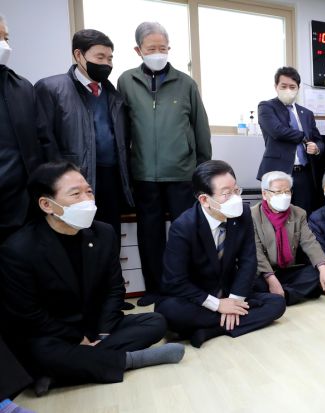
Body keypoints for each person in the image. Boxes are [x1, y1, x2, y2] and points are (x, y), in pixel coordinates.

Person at [0, 162, 184, 394]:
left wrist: (103, 333)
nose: (87, 200)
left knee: (155, 322)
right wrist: (77, 338)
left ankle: (64, 372)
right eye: (75, 194)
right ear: (47, 204)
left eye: (89, 191)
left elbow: (115, 288)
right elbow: (29, 315)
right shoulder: (19, 249)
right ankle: (131, 360)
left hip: (96, 326)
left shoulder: (103, 233)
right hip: (55, 334)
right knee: (37, 352)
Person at [118, 22, 212, 307]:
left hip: (182, 173)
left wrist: (203, 170)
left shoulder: (186, 83)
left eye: (163, 48)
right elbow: (122, 129)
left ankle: (188, 286)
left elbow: (200, 127)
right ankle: (155, 288)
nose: (158, 53)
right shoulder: (126, 81)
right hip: (144, 174)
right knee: (150, 234)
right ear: (138, 50)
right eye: (152, 48)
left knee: (186, 232)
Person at [155, 161, 286, 348]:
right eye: (226, 194)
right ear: (204, 200)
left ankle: (210, 330)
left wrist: (234, 301)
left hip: (228, 290)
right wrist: (217, 305)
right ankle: (224, 322)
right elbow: (175, 281)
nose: (235, 198)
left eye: (236, 190)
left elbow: (248, 261)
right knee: (170, 313)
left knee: (277, 304)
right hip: (197, 298)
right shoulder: (183, 227)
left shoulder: (243, 213)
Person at [35, 29, 132, 236]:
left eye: (110, 58)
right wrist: (60, 179)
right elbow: (44, 140)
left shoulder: (114, 94)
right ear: (78, 55)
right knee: (76, 236)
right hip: (74, 180)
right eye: (100, 57)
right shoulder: (52, 88)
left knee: (109, 237)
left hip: (111, 179)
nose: (107, 63)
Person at [251, 171, 325, 305]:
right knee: (252, 283)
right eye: (278, 192)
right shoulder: (252, 215)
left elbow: (310, 243)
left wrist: (324, 269)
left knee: (317, 272)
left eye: (287, 191)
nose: (284, 196)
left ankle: (283, 296)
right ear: (264, 194)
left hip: (287, 270)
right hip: (264, 273)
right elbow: (256, 252)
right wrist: (271, 279)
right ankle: (304, 291)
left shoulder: (298, 213)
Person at [256, 67, 325, 215]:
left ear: (298, 88)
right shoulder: (266, 107)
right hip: (277, 173)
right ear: (276, 87)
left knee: (303, 215)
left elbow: (319, 140)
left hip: (304, 174)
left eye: (292, 87)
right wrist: (303, 136)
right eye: (284, 86)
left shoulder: (307, 113)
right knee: (277, 216)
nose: (288, 90)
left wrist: (316, 148)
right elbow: (277, 131)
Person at [0, 16, 42, 244]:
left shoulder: (22, 87)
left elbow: (43, 139)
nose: (4, 45)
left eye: (5, 37)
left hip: (23, 206)